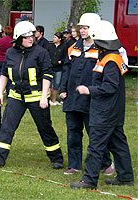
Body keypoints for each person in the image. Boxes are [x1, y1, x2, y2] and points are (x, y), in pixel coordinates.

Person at [0, 21, 64, 169]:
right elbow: (4, 73)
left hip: (36, 97)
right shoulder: (10, 52)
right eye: (27, 37)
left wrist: (43, 97)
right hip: (16, 96)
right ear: (19, 38)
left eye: (32, 36)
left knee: (45, 128)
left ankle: (56, 158)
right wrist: (0, 92)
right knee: (7, 127)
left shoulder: (41, 52)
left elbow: (47, 74)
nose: (30, 39)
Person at [71, 20, 134, 189]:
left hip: (105, 111)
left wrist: (88, 89)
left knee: (96, 145)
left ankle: (89, 180)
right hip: (113, 110)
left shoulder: (110, 60)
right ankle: (125, 176)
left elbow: (110, 87)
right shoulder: (111, 57)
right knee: (118, 143)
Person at [60, 13, 113, 175]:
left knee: (95, 133)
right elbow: (66, 70)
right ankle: (74, 165)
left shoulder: (102, 49)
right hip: (72, 98)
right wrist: (62, 89)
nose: (82, 31)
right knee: (73, 133)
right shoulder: (73, 47)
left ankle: (106, 163)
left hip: (92, 99)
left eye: (85, 28)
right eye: (81, 28)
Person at [47, 32, 67, 106]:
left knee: (56, 84)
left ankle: (54, 99)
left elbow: (66, 57)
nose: (53, 38)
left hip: (59, 68)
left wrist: (61, 61)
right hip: (50, 68)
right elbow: (46, 55)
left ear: (60, 39)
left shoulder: (63, 47)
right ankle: (48, 99)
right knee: (49, 84)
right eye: (53, 37)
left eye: (55, 37)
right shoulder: (50, 46)